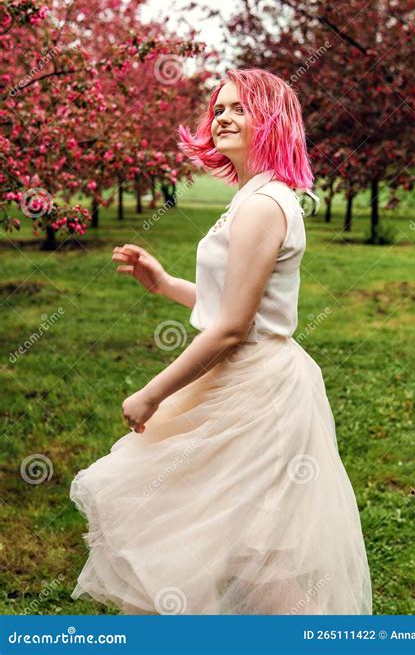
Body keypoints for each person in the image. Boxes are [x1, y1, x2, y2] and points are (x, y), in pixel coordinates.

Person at [69, 68, 372, 615]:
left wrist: (151, 393)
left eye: (240, 107)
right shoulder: (255, 197)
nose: (224, 117)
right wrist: (165, 284)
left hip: (256, 391)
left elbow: (233, 328)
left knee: (257, 555)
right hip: (246, 377)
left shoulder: (262, 206)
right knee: (231, 544)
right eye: (220, 109)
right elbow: (236, 304)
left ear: (272, 121)